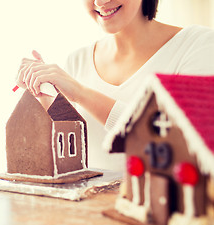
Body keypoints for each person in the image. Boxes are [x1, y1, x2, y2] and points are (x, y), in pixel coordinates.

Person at [15, 0, 214, 171]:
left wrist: (81, 93)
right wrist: (42, 95)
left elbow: (179, 146)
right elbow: (63, 157)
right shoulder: (77, 60)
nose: (101, 1)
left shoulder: (198, 45)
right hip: (85, 212)